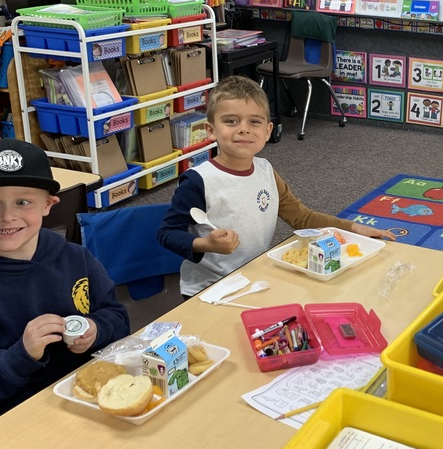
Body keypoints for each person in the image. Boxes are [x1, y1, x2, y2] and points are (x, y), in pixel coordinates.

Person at [0, 139, 130, 430]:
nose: (7, 216)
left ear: (48, 205)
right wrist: (20, 356)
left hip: (90, 404)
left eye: (23, 202)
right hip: (16, 425)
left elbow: (117, 316)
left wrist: (97, 330)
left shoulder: (75, 258)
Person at [157, 76, 395, 297]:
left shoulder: (265, 170)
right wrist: (205, 244)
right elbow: (167, 234)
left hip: (255, 276)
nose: (244, 128)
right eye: (231, 121)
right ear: (210, 130)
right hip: (209, 290)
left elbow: (302, 218)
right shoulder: (199, 180)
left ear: (268, 130)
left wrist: (353, 228)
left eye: (254, 122)